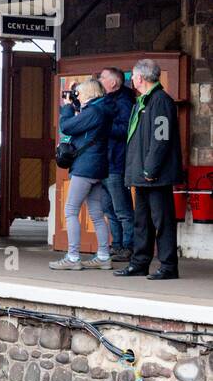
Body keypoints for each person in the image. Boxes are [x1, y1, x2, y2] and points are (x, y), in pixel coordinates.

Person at [115, 59, 183, 281]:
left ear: (141, 78)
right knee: (141, 221)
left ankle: (168, 266)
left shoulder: (160, 101)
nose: (131, 80)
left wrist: (150, 169)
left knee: (162, 221)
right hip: (142, 174)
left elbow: (161, 139)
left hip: (155, 175)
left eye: (133, 76)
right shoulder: (141, 101)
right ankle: (139, 263)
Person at [51, 78, 112, 270]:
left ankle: (73, 257)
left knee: (70, 211)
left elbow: (67, 127)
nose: (78, 96)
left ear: (90, 93)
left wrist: (68, 108)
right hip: (97, 166)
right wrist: (75, 104)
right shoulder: (101, 109)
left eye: (80, 93)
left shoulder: (93, 111)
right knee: (96, 213)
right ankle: (103, 256)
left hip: (85, 167)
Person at [97, 68, 135, 263]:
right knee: (108, 209)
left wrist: (102, 126)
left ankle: (129, 247)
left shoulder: (124, 102)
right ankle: (117, 245)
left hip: (116, 161)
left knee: (122, 210)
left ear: (113, 82)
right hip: (104, 162)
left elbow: (125, 129)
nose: (99, 80)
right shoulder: (107, 101)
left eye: (102, 77)